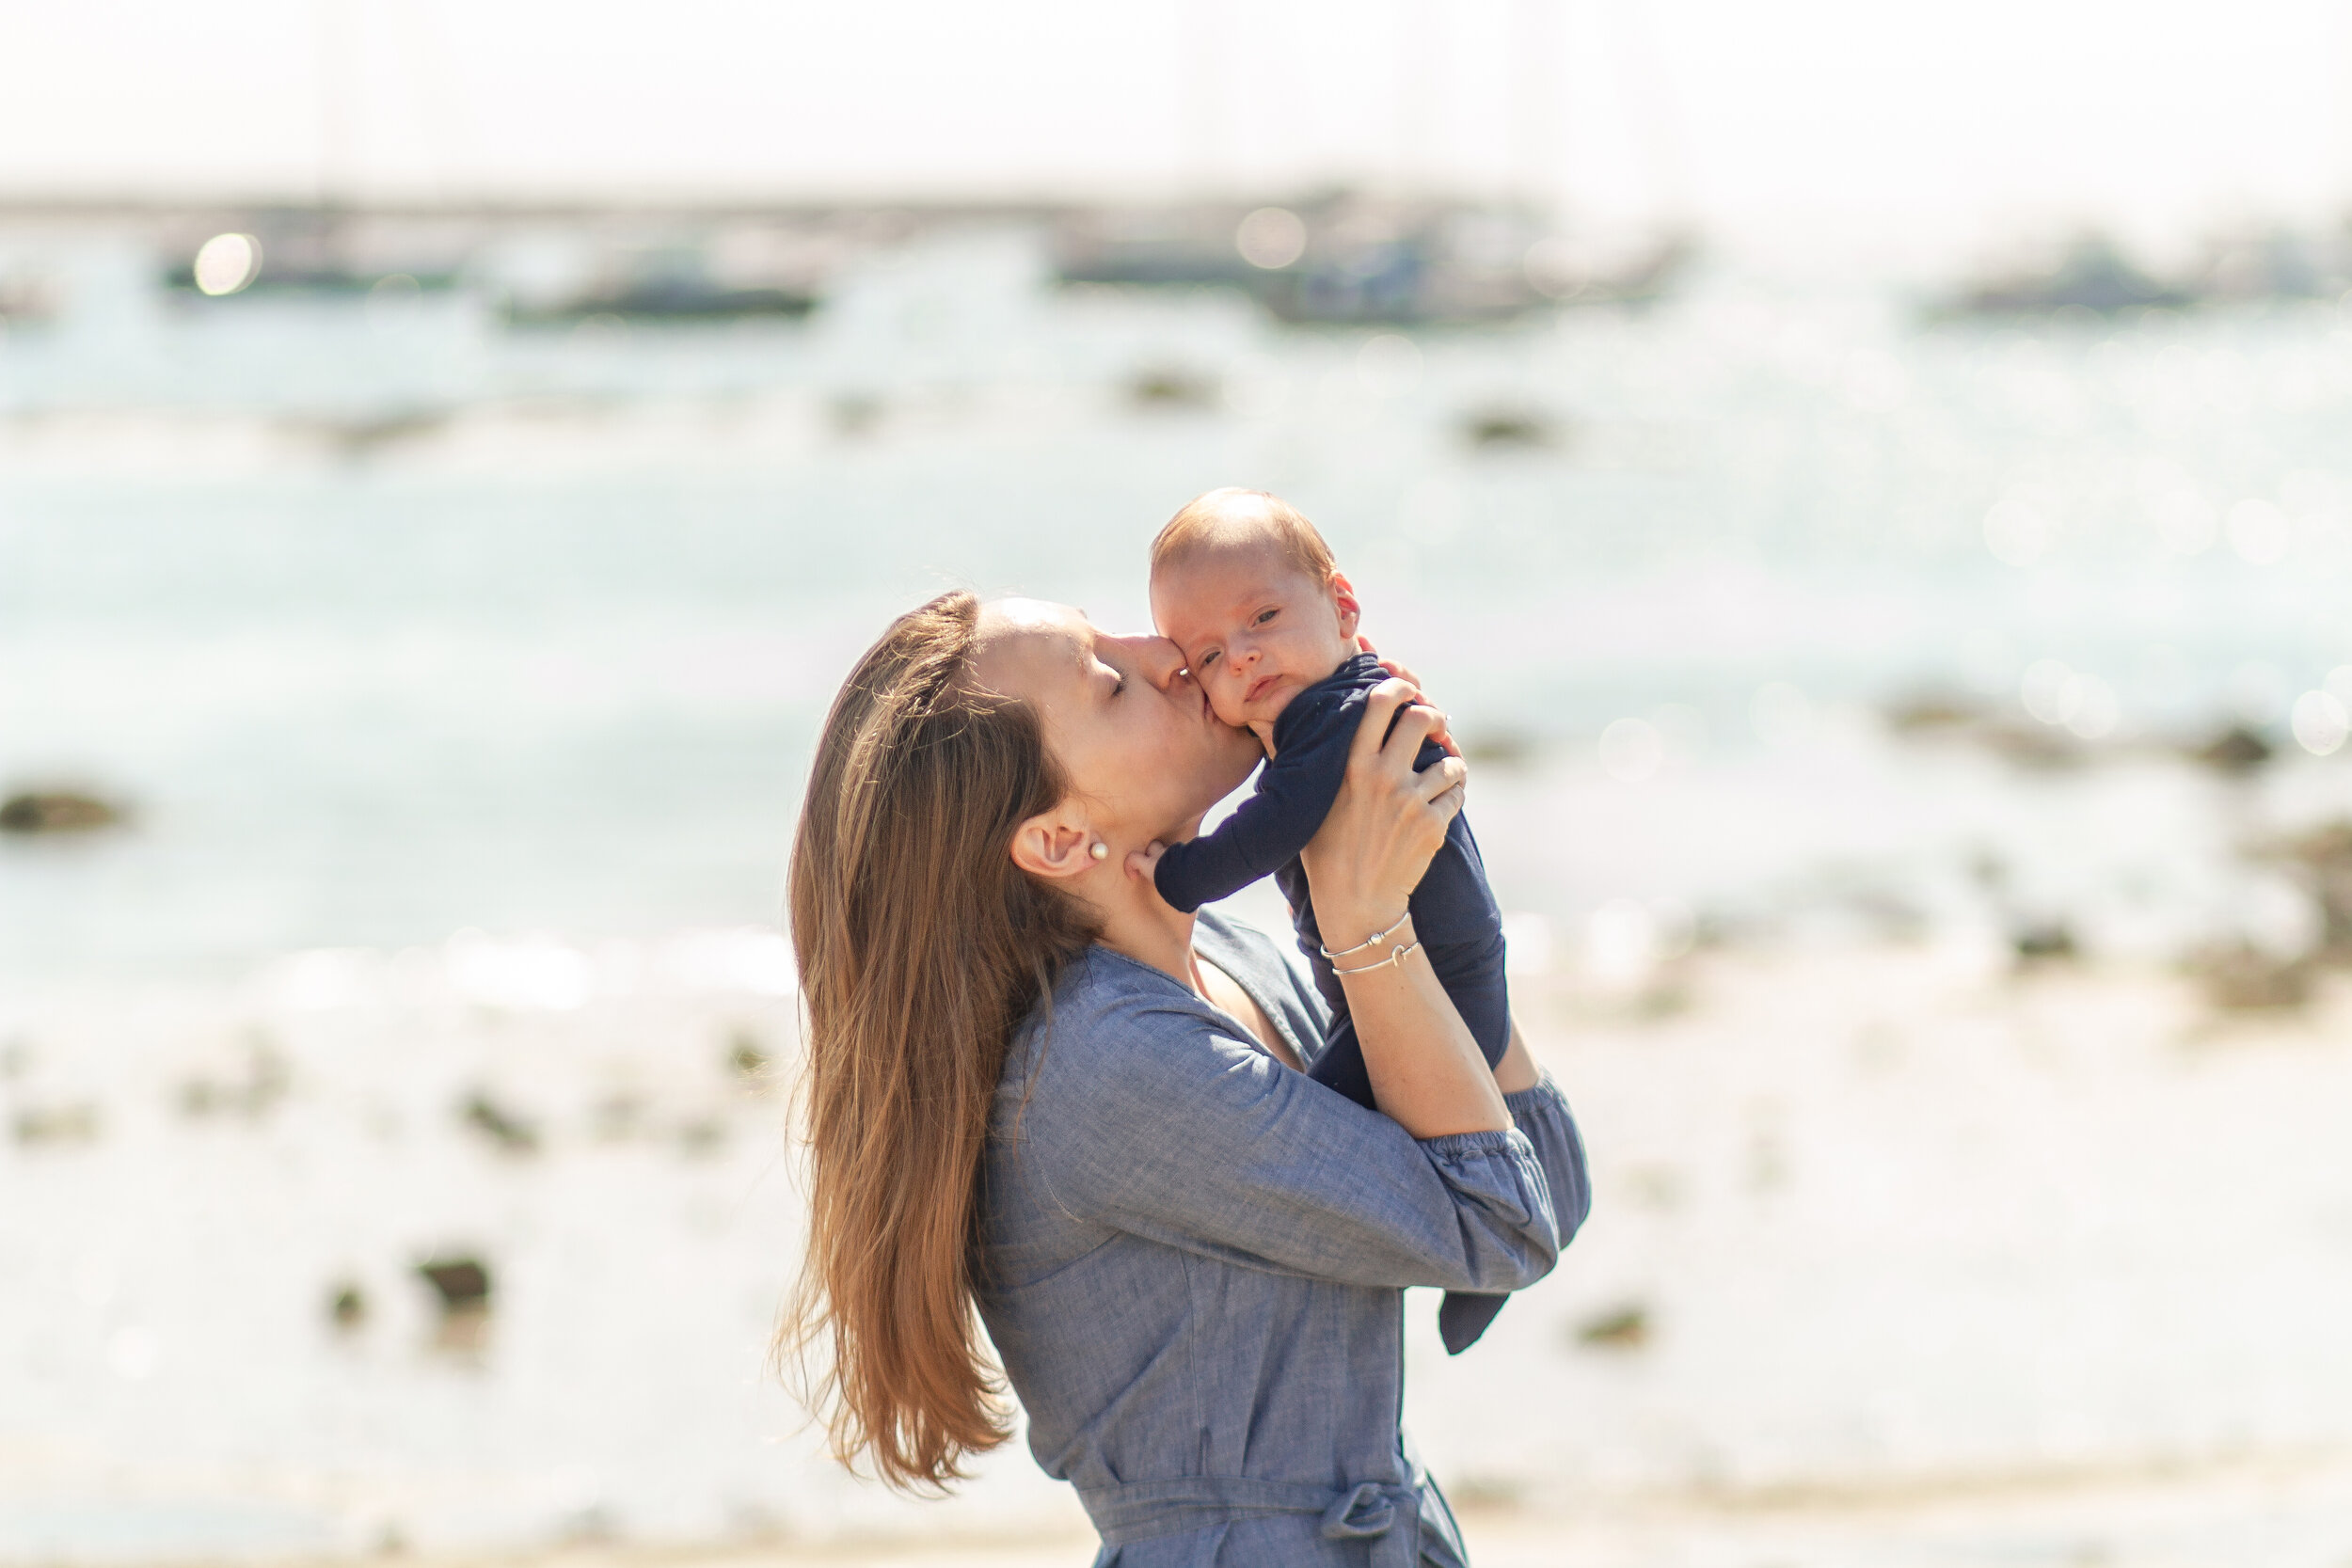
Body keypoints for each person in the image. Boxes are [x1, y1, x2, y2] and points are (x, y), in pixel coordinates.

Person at [783, 590, 1589, 1566]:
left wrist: (1427, 875)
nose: (1166, 652)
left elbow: (1539, 1171)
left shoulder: (1237, 964)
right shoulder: (1102, 1067)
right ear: (1058, 839)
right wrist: (1365, 927)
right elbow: (1495, 1220)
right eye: (1110, 683)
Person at [1142, 488, 1513, 1354]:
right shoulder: (1333, 707)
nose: (1243, 656)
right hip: (1401, 969)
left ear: (1344, 605)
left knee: (1326, 1127)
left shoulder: (1335, 716)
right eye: (1207, 656)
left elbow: (1271, 825)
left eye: (1263, 615)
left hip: (1443, 979)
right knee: (1388, 1126)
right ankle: (1477, 1255)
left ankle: (1479, 1256)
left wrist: (1175, 872)